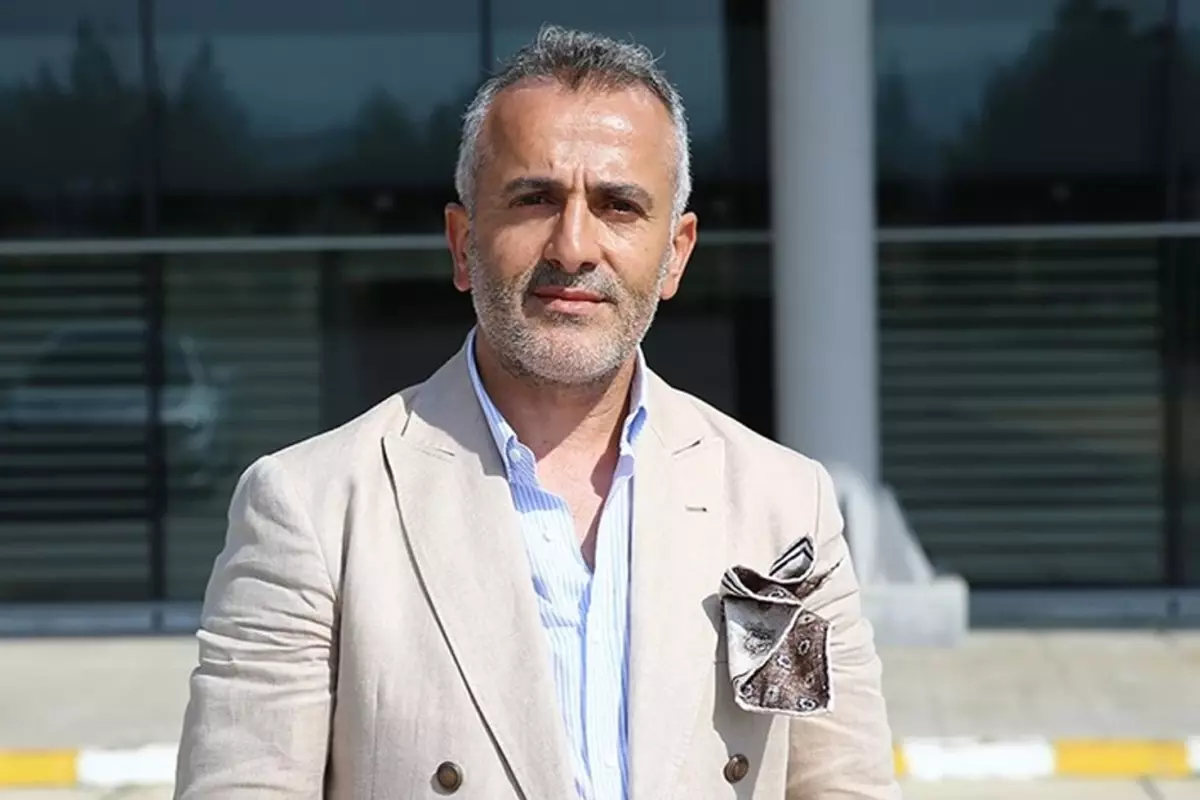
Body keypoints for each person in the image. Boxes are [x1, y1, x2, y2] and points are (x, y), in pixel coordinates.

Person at [174, 24, 899, 800]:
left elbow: (843, 788)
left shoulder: (782, 505)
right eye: (534, 200)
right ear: (463, 243)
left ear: (676, 253)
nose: (574, 246)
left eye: (619, 206)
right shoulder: (313, 508)